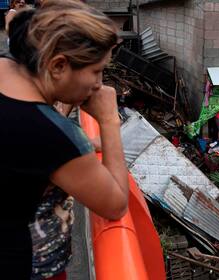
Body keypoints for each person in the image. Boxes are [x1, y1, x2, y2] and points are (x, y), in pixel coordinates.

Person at [0, 1, 129, 279]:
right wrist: (109, 121)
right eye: (96, 71)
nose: (99, 84)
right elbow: (116, 204)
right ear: (58, 65)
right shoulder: (51, 136)